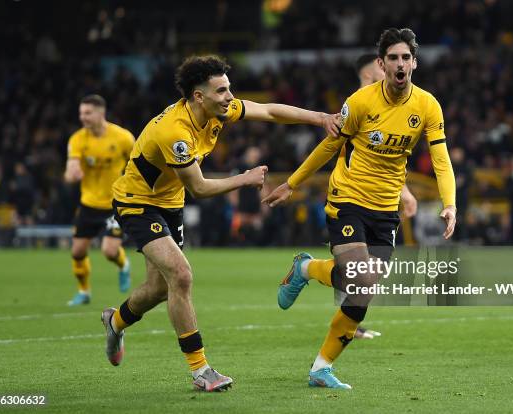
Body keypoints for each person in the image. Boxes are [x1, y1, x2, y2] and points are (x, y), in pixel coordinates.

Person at [101, 55, 341, 392]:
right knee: (181, 276)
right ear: (199, 96)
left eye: (229, 88)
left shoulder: (218, 110)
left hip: (170, 203)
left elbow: (270, 111)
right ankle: (201, 370)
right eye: (222, 90)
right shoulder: (175, 131)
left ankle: (115, 321)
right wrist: (244, 178)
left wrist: (320, 118)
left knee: (158, 289)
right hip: (138, 203)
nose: (230, 96)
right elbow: (198, 187)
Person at [263, 28, 457, 389]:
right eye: (393, 58)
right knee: (359, 277)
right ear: (381, 64)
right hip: (348, 199)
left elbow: (441, 160)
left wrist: (450, 205)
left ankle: (319, 354)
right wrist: (292, 183)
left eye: (406, 58)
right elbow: (327, 146)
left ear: (414, 63)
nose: (400, 64)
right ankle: (307, 282)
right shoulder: (361, 102)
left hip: (386, 211)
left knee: (363, 289)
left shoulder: (427, 106)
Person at [351, 53, 419, 340]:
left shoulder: (383, 105)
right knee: (364, 271)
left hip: (381, 199)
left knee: (370, 272)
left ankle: (350, 322)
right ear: (370, 75)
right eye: (384, 68)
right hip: (358, 199)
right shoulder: (360, 107)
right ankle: (306, 269)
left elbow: (388, 159)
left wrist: (403, 192)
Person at [64, 95, 135, 306]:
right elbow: (69, 171)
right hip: (88, 204)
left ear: (100, 113)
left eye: (87, 113)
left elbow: (138, 164)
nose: (82, 117)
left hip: (115, 204)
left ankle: (124, 266)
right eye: (80, 113)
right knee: (77, 252)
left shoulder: (122, 137)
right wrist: (72, 174)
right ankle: (84, 292)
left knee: (109, 251)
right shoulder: (77, 139)